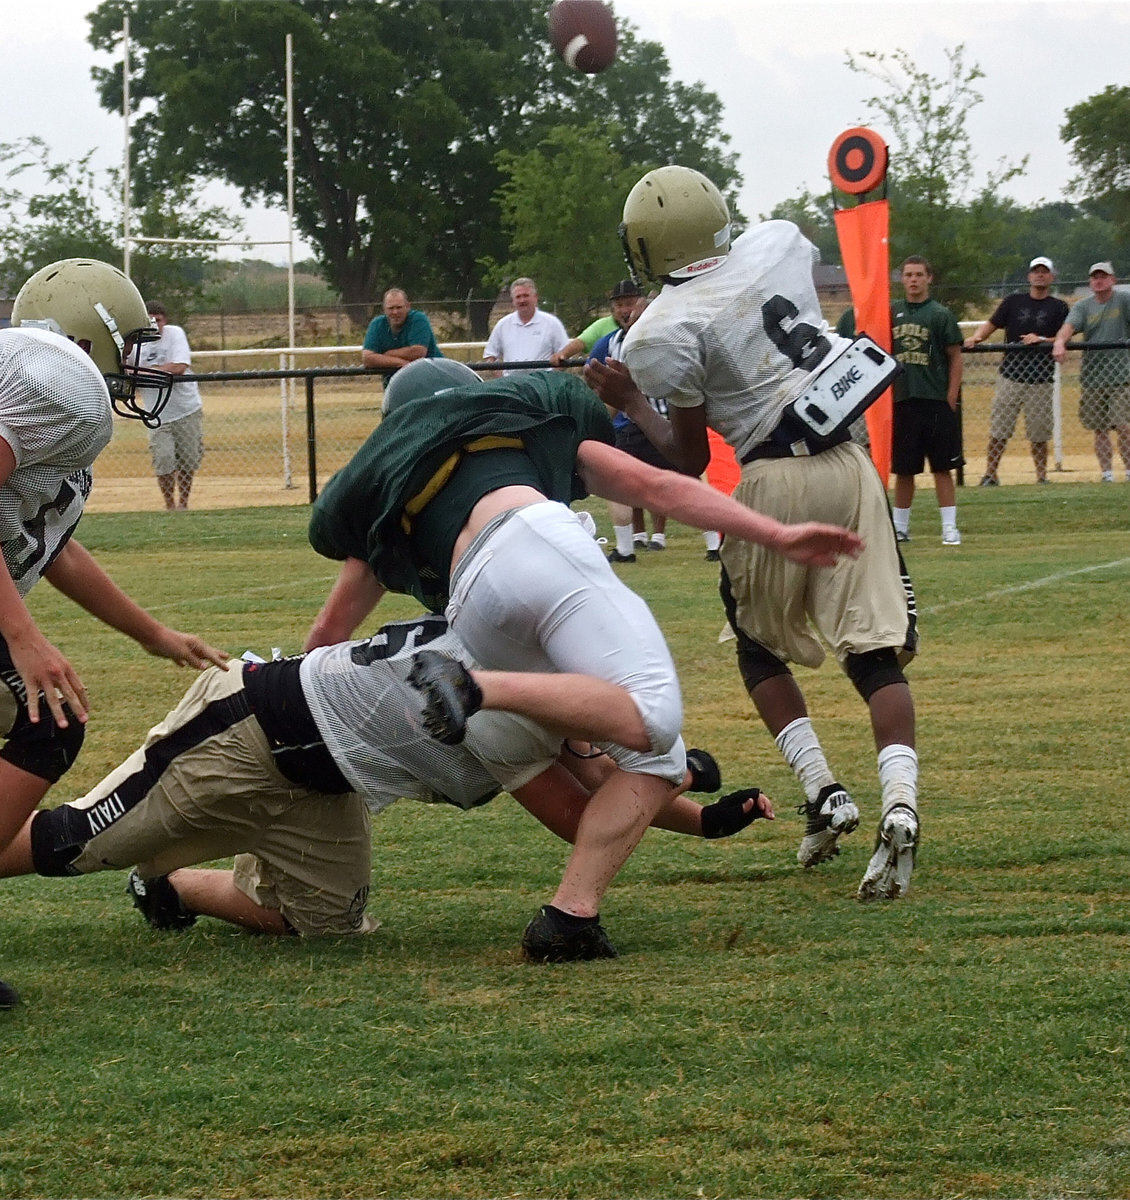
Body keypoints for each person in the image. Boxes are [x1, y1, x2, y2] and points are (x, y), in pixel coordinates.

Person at [304, 356, 861, 957]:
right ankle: (475, 689)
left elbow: (323, 641)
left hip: (471, 610)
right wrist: (775, 534)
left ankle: (570, 917)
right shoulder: (523, 430)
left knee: (658, 761)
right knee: (654, 717)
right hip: (534, 544)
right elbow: (656, 487)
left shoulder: (395, 497)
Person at [0, 614, 771, 945]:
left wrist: (702, 819)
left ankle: (163, 886)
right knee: (64, 842)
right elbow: (583, 818)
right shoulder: (501, 701)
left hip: (322, 784)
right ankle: (137, 858)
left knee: (318, 926)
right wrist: (669, 780)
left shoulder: (525, 677)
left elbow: (601, 779)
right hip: (246, 737)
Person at [585, 164, 921, 903]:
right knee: (873, 651)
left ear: (646, 245)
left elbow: (689, 457)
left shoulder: (660, 331)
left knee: (758, 647)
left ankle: (826, 792)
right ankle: (901, 800)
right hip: (851, 455)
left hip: (775, 475)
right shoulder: (778, 243)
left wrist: (630, 401)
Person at [0, 258, 229, 1007]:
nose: (140, 363)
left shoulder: (56, 414)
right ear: (86, 336)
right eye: (129, 344)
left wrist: (150, 633)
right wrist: (28, 639)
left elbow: (48, 542)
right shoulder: (54, 386)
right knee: (47, 718)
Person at [589, 293, 681, 562]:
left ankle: (629, 547)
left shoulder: (634, 343)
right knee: (687, 478)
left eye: (635, 314)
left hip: (651, 421)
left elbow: (618, 392)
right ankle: (713, 544)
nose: (629, 317)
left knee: (622, 483)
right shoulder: (621, 341)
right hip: (650, 422)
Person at [964, 257, 1069, 486]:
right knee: (1000, 429)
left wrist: (1041, 339)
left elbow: (1064, 337)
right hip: (1010, 376)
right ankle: (990, 474)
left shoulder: (1059, 307)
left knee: (1039, 433)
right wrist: (977, 337)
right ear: (1029, 276)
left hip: (1041, 379)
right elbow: (991, 324)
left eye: (1044, 272)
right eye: (1035, 271)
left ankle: (1041, 476)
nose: (1039, 275)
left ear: (1052, 277)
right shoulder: (1013, 301)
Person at [889, 257, 964, 545]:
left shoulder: (940, 314)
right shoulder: (892, 311)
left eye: (919, 274)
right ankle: (900, 527)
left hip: (934, 400)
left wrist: (951, 395)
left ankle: (948, 526)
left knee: (942, 467)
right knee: (905, 468)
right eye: (908, 275)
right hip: (903, 399)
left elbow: (955, 356)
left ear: (929, 278)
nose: (913, 280)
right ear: (902, 279)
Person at [1051, 261, 1130, 482]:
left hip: (1122, 375)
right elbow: (1070, 326)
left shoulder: (1123, 301)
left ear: (1113, 280)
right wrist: (1060, 342)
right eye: (1095, 277)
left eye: (1103, 276)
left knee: (1124, 426)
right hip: (1093, 376)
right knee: (1100, 428)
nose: (1099, 280)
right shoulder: (1083, 306)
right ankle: (1106, 474)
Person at [138, 302, 205, 510]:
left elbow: (179, 367)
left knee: (187, 460)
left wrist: (146, 372)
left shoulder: (175, 334)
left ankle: (183, 504)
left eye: (157, 320)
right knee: (164, 462)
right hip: (156, 414)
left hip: (186, 409)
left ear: (164, 321)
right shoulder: (136, 344)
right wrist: (156, 372)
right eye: (149, 320)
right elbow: (126, 371)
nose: (154, 324)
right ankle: (170, 506)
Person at [483, 278, 569, 375]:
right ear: (513, 300)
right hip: (512, 386)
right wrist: (504, 379)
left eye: (526, 296)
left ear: (535, 297)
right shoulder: (503, 325)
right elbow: (490, 356)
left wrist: (550, 379)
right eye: (518, 297)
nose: (522, 300)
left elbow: (565, 355)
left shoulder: (552, 323)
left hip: (542, 385)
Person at [550, 278, 643, 367]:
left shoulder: (651, 326)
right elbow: (581, 342)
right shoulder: (605, 336)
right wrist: (562, 355)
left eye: (629, 304)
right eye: (619, 305)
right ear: (613, 307)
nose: (624, 310)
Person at [361, 287, 442, 383]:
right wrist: (401, 363)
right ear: (384, 309)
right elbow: (367, 359)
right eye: (391, 308)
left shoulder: (419, 319)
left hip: (433, 379)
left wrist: (387, 354)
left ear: (408, 306)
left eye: (399, 307)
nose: (395, 312)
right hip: (395, 386)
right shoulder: (377, 324)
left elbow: (418, 352)